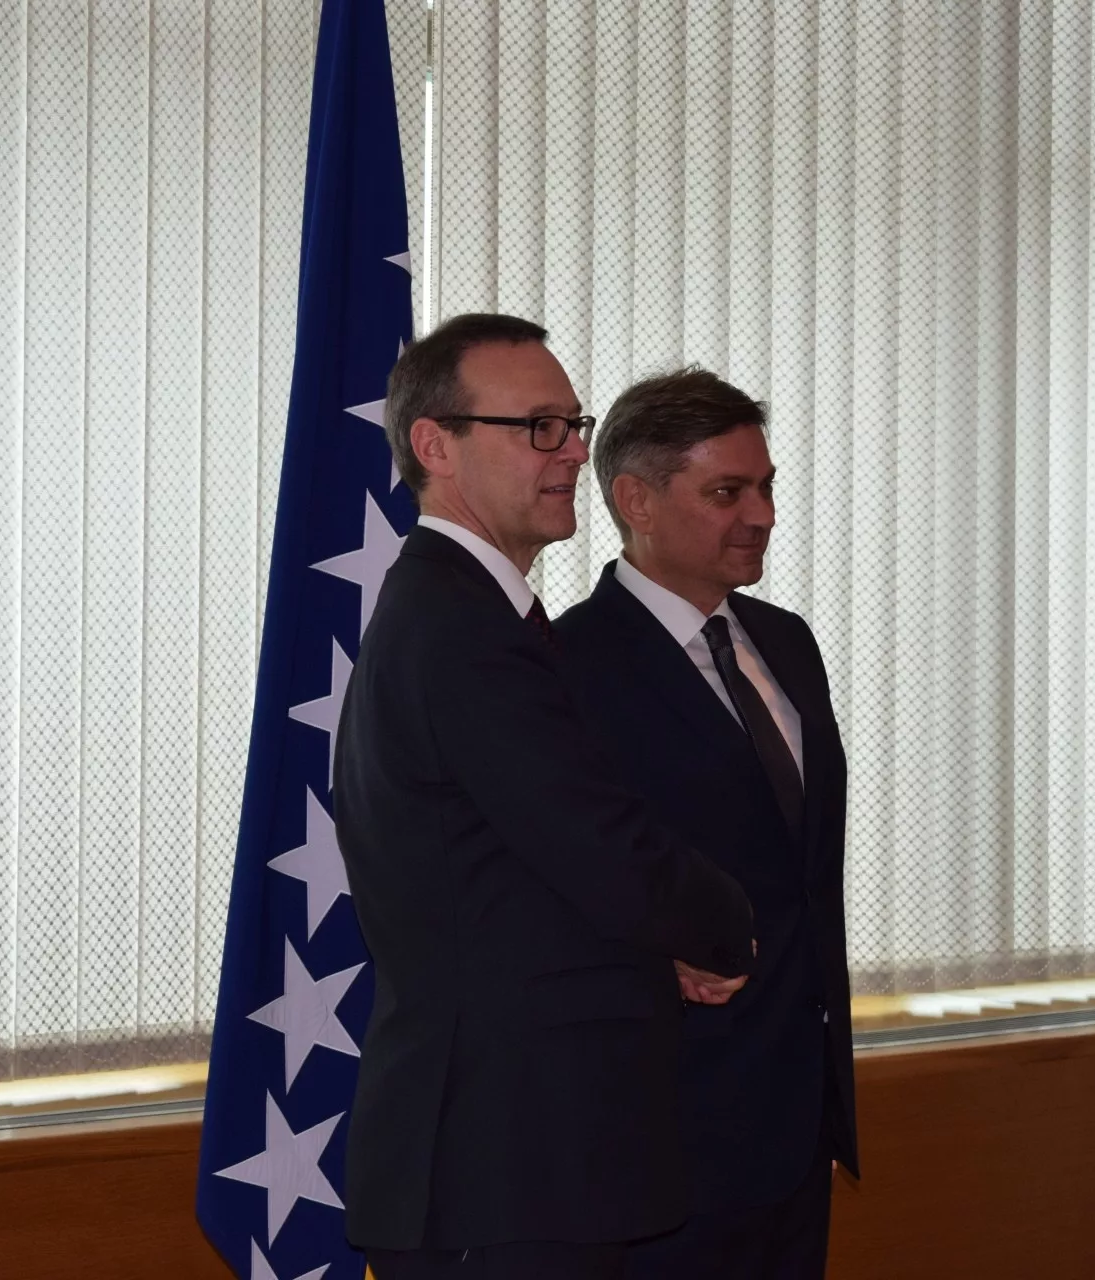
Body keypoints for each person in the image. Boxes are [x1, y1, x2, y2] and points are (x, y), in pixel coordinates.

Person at [333, 316, 757, 1280]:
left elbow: (521, 872)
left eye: (573, 424)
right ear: (435, 445)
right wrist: (726, 926)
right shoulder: (462, 629)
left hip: (525, 1158)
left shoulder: (474, 614)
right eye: (538, 428)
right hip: (501, 1163)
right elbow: (599, 843)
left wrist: (659, 943)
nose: (571, 452)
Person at [553, 368, 859, 1280]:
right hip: (665, 1130)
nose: (762, 514)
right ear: (636, 500)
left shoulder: (786, 641)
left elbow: (801, 873)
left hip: (798, 1117)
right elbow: (556, 883)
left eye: (765, 486)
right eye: (728, 492)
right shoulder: (566, 664)